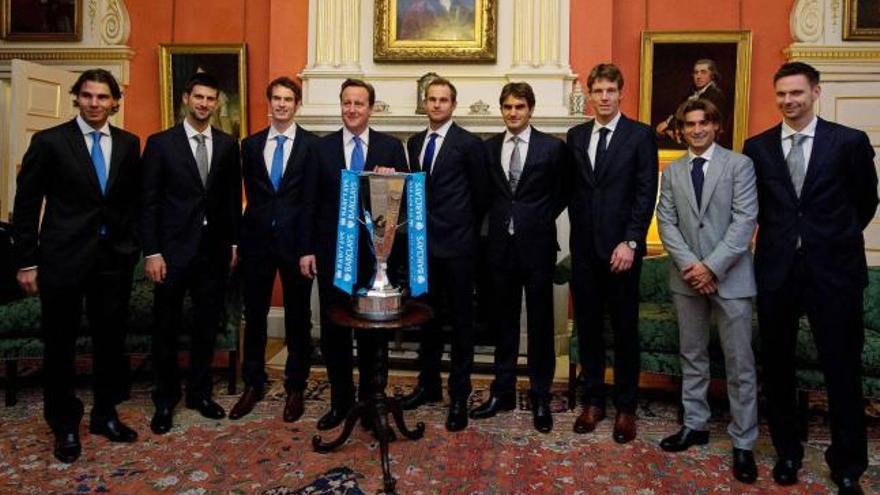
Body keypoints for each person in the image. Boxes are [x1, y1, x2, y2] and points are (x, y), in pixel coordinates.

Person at [743, 62, 879, 494]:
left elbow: (865, 203)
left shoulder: (849, 142)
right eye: (781, 94)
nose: (789, 101)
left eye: (797, 93)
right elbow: (757, 207)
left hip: (834, 273)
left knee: (842, 370)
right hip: (777, 273)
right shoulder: (758, 147)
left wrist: (828, 240)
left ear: (815, 93)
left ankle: (847, 465)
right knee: (778, 367)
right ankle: (787, 452)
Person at [13, 69, 142, 463]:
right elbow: (27, 205)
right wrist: (27, 260)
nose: (95, 104)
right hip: (63, 260)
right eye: (87, 96)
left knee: (110, 342)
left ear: (115, 102)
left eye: (103, 97)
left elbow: (130, 200)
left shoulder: (128, 143)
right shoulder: (50, 142)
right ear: (76, 98)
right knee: (60, 345)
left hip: (112, 262)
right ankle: (64, 424)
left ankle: (105, 414)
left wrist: (131, 244)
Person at [655, 98, 759, 484]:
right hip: (686, 278)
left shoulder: (740, 165)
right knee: (693, 357)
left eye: (704, 123)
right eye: (690, 124)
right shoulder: (675, 169)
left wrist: (711, 267)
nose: (696, 130)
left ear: (716, 126)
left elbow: (744, 221)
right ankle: (695, 425)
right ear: (681, 130)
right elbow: (666, 221)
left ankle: (743, 442)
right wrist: (691, 267)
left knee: (739, 365)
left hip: (731, 279)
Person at [300, 78, 408, 431]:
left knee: (374, 335)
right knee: (335, 332)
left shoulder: (391, 148)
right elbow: (310, 202)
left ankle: (372, 404)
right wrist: (307, 250)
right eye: (346, 102)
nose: (352, 109)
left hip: (376, 259)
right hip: (333, 255)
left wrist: (391, 183)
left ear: (371, 108)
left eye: (359, 103)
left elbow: (404, 206)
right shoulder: (320, 148)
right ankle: (341, 402)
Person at [140, 72, 242, 435]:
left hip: (213, 252)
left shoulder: (229, 145)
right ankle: (165, 400)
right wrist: (152, 252)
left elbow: (231, 200)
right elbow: (148, 203)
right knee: (166, 328)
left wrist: (232, 243)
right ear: (186, 98)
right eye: (198, 97)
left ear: (217, 103)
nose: (204, 104)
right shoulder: (160, 144)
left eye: (210, 98)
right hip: (171, 253)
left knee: (205, 327)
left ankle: (200, 393)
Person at [468, 82, 569, 433]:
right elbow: (484, 194)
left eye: (520, 107)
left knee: (540, 324)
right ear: (502, 110)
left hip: (538, 247)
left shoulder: (552, 149)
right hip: (498, 248)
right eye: (508, 107)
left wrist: (535, 218)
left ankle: (540, 395)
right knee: (503, 323)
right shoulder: (489, 148)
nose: (513, 113)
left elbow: (562, 193)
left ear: (531, 109)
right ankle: (503, 391)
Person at [566, 63, 658, 443]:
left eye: (610, 90)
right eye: (597, 91)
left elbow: (644, 191)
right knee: (587, 329)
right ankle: (593, 402)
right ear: (589, 95)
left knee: (623, 332)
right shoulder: (575, 136)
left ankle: (625, 408)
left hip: (622, 251)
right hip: (584, 251)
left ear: (621, 93)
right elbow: (569, 189)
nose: (603, 97)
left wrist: (632, 241)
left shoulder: (640, 136)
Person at [400, 77, 489, 431]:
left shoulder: (469, 144)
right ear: (425, 104)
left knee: (462, 324)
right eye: (432, 100)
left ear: (453, 105)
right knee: (427, 318)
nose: (437, 105)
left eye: (443, 100)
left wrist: (464, 229)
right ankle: (429, 386)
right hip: (423, 246)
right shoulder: (415, 142)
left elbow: (481, 196)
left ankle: (459, 397)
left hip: (459, 248)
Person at [228, 77, 319, 422]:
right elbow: (246, 197)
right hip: (257, 242)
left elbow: (313, 199)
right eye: (276, 98)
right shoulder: (249, 146)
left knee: (298, 318)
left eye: (288, 99)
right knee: (255, 315)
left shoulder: (312, 146)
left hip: (297, 245)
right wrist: (238, 241)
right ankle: (254, 382)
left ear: (297, 105)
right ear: (268, 103)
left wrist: (310, 248)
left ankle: (296, 386)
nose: (282, 104)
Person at [656, 59, 729, 148]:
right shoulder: (691, 92)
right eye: (696, 73)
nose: (698, 76)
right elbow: (679, 111)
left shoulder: (715, 95)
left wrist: (668, 124)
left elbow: (700, 120)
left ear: (712, 75)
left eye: (703, 72)